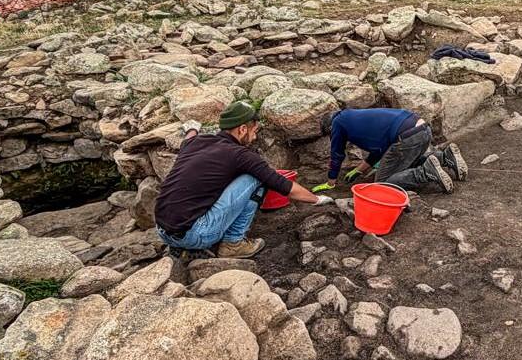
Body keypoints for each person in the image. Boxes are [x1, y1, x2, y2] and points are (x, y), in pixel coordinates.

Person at [155, 100, 329, 258]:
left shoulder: (196, 142)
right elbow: (281, 184)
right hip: (195, 234)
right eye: (254, 130)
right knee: (256, 178)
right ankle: (233, 243)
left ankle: (182, 246)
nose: (254, 137)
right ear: (243, 129)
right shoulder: (240, 155)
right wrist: (317, 199)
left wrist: (192, 128)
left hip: (162, 231)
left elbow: (189, 137)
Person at [322, 108, 467, 194]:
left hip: (407, 137)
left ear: (329, 128)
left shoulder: (337, 123)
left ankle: (424, 173)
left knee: (382, 183)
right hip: (422, 130)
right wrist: (359, 170)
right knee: (406, 161)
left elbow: (337, 155)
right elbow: (379, 151)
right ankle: (445, 157)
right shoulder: (354, 117)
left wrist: (330, 182)